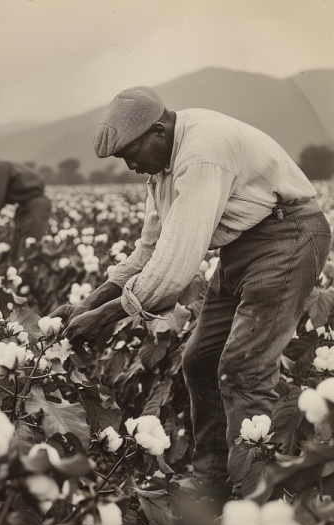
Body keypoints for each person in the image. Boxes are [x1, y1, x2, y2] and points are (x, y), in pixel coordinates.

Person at [52, 86, 331, 502]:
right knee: (200, 360)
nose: (130, 165)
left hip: (288, 237)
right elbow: (149, 250)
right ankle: (214, 482)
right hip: (247, 244)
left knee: (244, 369)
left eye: (131, 153)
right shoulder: (164, 165)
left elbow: (175, 269)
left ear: (159, 130)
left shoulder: (201, 155)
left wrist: (108, 315)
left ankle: (260, 501)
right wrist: (89, 301)